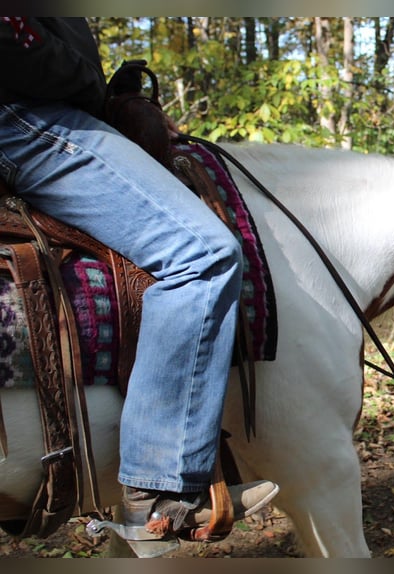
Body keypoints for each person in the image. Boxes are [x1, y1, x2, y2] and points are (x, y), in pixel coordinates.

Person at [0, 16, 278, 547]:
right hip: (25, 117)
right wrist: (93, 90)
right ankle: (160, 487)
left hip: (36, 106)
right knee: (205, 254)